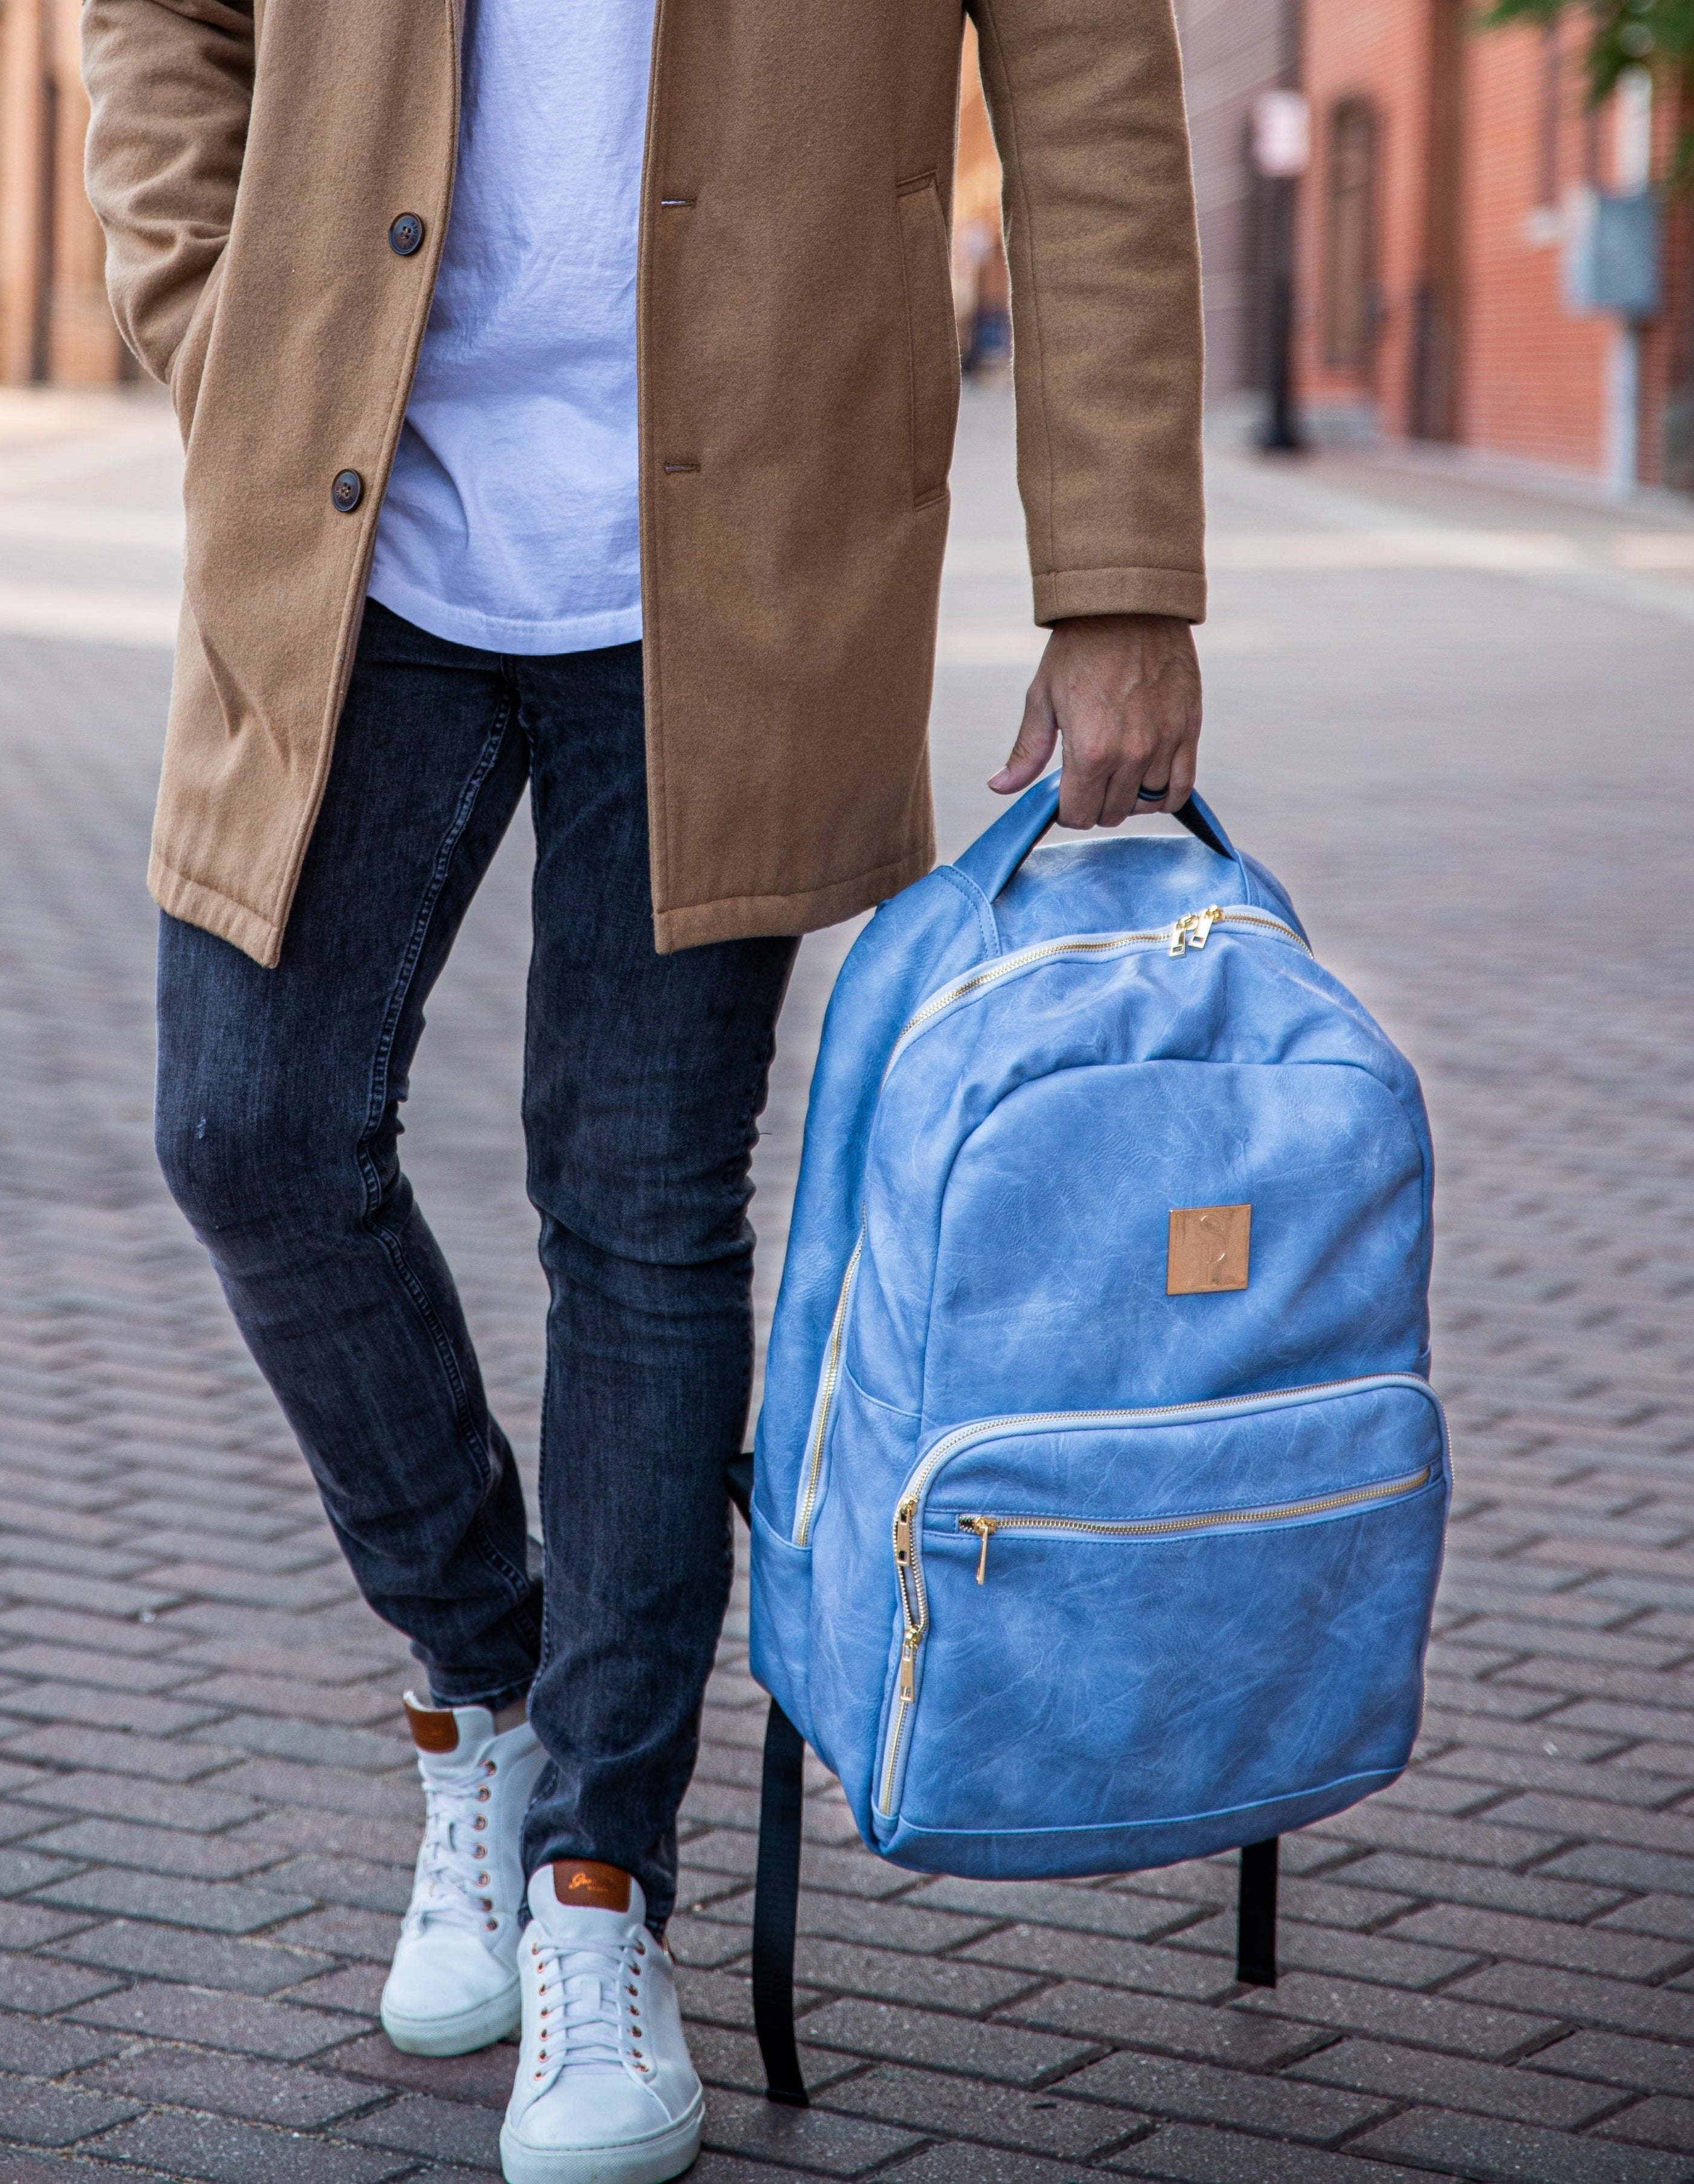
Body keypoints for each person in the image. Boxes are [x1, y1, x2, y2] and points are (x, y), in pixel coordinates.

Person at [80, 2, 1205, 2177]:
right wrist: (216, 310)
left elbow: (1088, 87)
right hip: (351, 502)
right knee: (247, 1128)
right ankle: (490, 1677)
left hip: (740, 544)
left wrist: (1124, 577)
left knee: (640, 1204)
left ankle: (598, 1879)